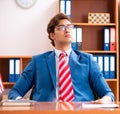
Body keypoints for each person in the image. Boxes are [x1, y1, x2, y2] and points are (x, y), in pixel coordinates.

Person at [8, 13, 114, 104]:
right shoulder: (37, 61)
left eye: (69, 27)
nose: (67, 30)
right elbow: (14, 93)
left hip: (80, 111)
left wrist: (106, 99)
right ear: (52, 35)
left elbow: (107, 94)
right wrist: (23, 102)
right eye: (61, 27)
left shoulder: (88, 60)